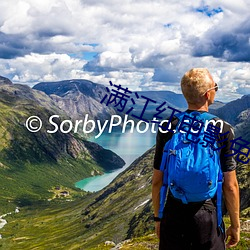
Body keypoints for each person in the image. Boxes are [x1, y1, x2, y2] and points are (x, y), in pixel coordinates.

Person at [152, 68, 240, 250]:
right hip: (207, 215)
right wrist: (235, 226)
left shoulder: (168, 127)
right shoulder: (223, 130)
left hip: (174, 212)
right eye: (216, 87)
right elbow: (230, 185)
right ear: (208, 94)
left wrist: (158, 218)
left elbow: (157, 181)